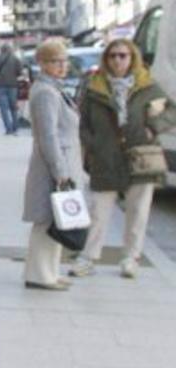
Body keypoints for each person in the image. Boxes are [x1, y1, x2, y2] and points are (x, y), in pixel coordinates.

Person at [69, 38, 176, 279]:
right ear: (106, 59)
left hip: (140, 156)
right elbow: (83, 123)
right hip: (105, 157)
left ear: (132, 58)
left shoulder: (146, 85)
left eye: (123, 55)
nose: (118, 60)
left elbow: (172, 110)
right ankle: (88, 257)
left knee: (138, 211)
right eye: (113, 55)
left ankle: (131, 257)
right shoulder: (95, 87)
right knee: (98, 210)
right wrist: (93, 144)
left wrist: (153, 128)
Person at [21, 38, 83, 290]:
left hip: (62, 161)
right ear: (42, 63)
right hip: (53, 165)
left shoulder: (53, 88)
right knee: (47, 220)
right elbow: (48, 135)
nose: (61, 65)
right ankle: (39, 275)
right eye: (55, 61)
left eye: (64, 60)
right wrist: (60, 171)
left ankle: (50, 272)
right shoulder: (46, 92)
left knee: (59, 219)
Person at [0, 43, 23, 134]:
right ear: (10, 50)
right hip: (13, 86)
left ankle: (8, 129)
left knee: (4, 108)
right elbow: (20, 72)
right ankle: (15, 127)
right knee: (13, 107)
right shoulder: (16, 59)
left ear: (2, 50)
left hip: (0, 85)